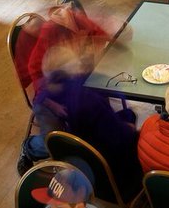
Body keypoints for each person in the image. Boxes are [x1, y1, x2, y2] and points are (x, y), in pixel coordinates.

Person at [19, 41, 142, 196]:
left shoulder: (56, 90)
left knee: (127, 115)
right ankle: (29, 148)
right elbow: (118, 136)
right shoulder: (88, 99)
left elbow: (41, 97)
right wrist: (134, 132)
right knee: (133, 123)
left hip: (86, 156)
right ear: (75, 67)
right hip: (116, 178)